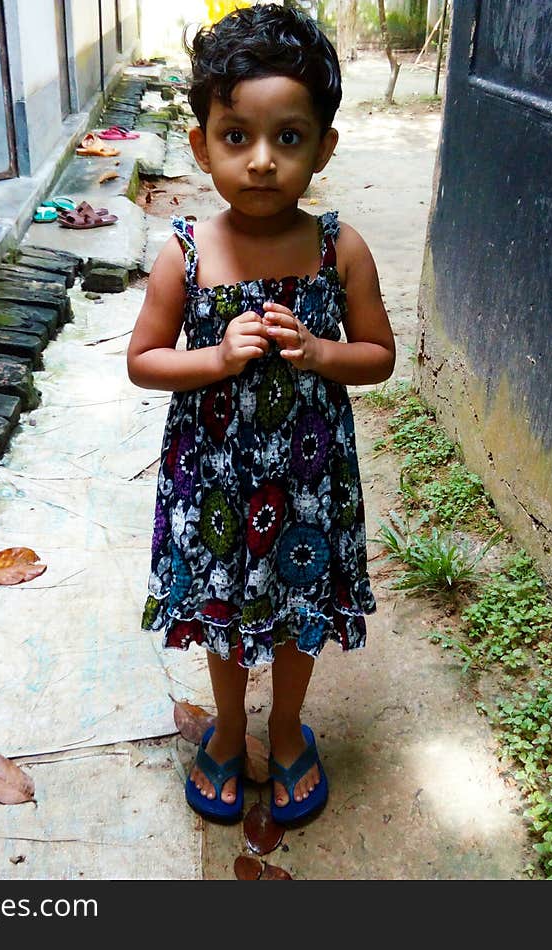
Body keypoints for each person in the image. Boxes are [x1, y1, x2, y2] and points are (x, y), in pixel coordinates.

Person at [127, 2, 395, 825]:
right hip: (215, 486)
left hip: (309, 486)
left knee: (295, 609)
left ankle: (284, 730)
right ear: (204, 140)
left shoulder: (337, 248)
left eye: (289, 137)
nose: (262, 163)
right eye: (236, 136)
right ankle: (226, 729)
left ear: (324, 146)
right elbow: (144, 359)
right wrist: (215, 358)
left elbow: (378, 354)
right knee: (222, 607)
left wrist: (317, 351)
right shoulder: (185, 252)